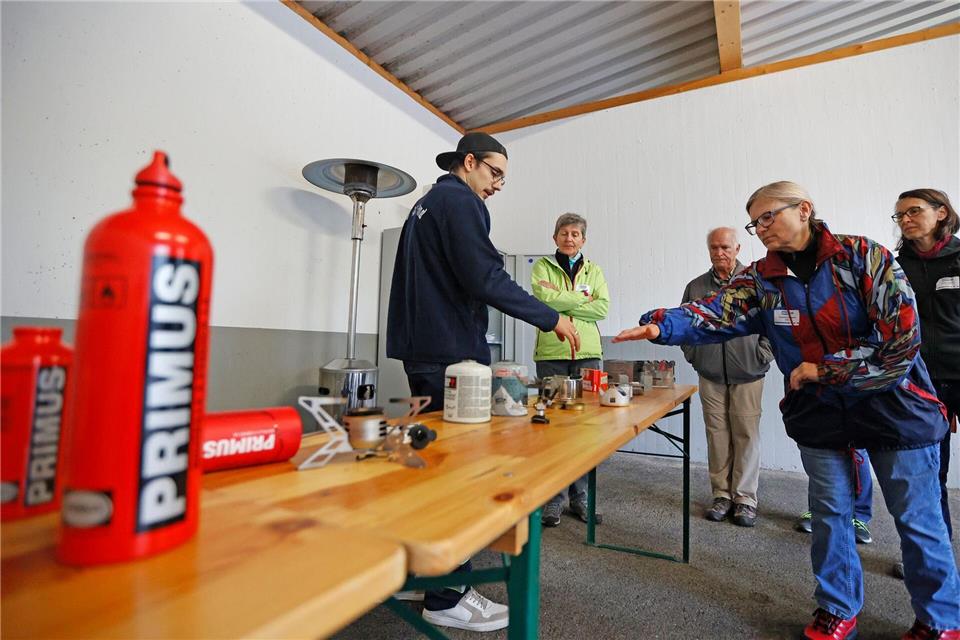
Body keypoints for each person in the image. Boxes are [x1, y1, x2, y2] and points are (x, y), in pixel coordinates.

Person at [613, 181, 960, 640]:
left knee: (917, 517)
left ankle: (939, 619)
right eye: (753, 223)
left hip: (893, 404)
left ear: (804, 209)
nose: (759, 230)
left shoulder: (862, 256)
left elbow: (900, 338)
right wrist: (661, 325)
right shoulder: (761, 277)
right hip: (819, 412)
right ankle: (837, 609)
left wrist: (825, 370)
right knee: (830, 513)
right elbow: (715, 312)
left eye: (767, 217)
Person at [386, 131, 579, 633]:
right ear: (468, 162)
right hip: (449, 353)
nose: (497, 185)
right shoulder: (460, 202)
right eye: (494, 173)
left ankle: (424, 573)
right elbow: (485, 277)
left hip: (421, 347)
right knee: (456, 474)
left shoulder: (426, 204)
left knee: (428, 466)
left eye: (503, 179)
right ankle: (448, 594)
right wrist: (549, 317)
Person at [681, 227, 773, 527]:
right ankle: (721, 494)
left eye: (724, 247)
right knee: (717, 436)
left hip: (748, 372)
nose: (719, 253)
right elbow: (685, 326)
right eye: (714, 248)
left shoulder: (756, 283)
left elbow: (775, 323)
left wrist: (763, 354)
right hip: (710, 373)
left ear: (737, 249)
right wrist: (695, 355)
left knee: (746, 435)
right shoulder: (696, 287)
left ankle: (745, 498)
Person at [891, 188, 960, 579]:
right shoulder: (898, 266)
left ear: (942, 213)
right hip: (922, 382)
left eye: (913, 211)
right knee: (931, 473)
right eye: (899, 215)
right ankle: (934, 554)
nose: (905, 220)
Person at [531, 212, 610, 527]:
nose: (569, 238)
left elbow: (602, 307)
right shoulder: (541, 267)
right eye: (564, 233)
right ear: (555, 238)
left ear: (583, 240)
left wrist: (562, 300)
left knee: (587, 430)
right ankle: (553, 500)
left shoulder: (596, 270)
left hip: (589, 354)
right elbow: (541, 300)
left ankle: (582, 498)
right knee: (552, 428)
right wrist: (581, 298)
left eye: (575, 233)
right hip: (552, 353)